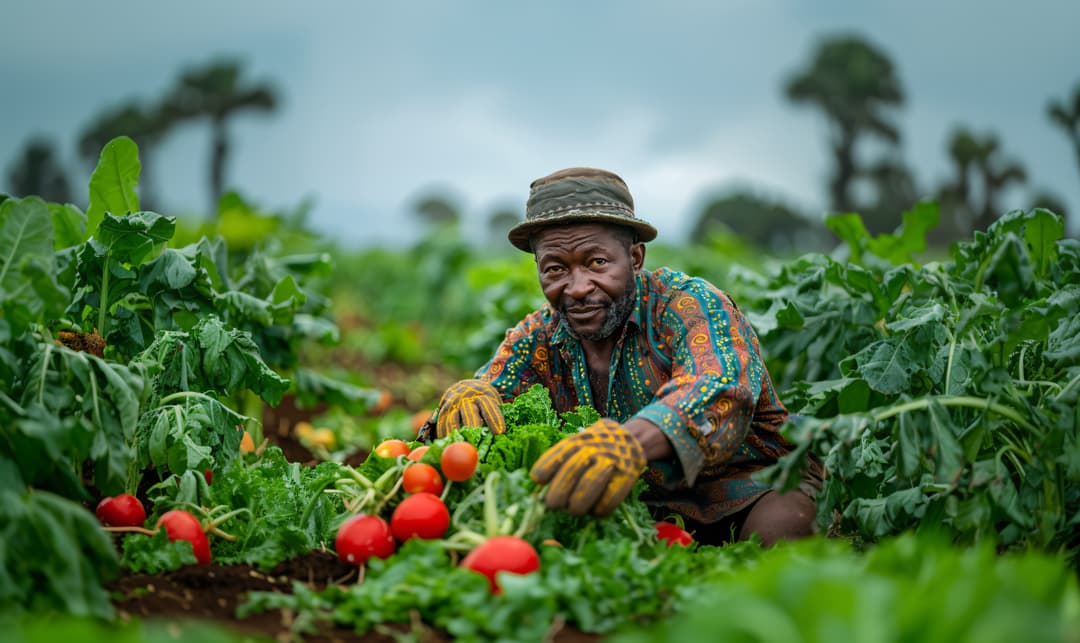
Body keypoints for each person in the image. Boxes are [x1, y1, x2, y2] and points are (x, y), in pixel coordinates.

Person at [425, 167, 823, 546]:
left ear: (635, 259)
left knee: (783, 529)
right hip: (636, 507)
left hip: (750, 484)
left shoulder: (688, 305)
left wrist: (629, 441)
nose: (577, 287)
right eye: (555, 269)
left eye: (597, 263)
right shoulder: (538, 336)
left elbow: (718, 388)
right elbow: (489, 389)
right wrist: (469, 393)